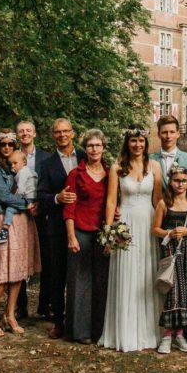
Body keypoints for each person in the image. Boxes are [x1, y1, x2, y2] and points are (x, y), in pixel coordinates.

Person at [101, 127, 164, 351]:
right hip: (125, 222)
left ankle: (149, 331)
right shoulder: (117, 167)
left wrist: (165, 227)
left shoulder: (154, 167)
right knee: (126, 272)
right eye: (133, 141)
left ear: (146, 143)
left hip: (148, 223)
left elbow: (158, 201)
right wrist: (109, 230)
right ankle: (124, 331)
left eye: (141, 141)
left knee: (147, 273)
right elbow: (111, 201)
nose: (137, 145)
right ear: (127, 143)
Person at [0, 130, 40, 336]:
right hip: (5, 220)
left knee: (18, 271)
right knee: (2, 270)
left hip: (23, 220)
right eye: (3, 144)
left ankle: (10, 314)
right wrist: (28, 203)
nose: (7, 147)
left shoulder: (17, 167)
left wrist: (33, 204)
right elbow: (4, 196)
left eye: (11, 144)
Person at [36, 118, 84, 339]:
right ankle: (58, 320)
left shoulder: (85, 156)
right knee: (58, 274)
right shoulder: (47, 163)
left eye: (66, 131)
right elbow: (41, 195)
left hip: (84, 224)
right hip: (57, 226)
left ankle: (80, 319)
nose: (62, 135)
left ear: (72, 133)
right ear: (53, 135)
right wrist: (57, 198)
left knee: (82, 274)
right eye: (58, 132)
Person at [152, 165, 187, 354]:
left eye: (184, 181)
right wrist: (170, 232)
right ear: (170, 181)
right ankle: (167, 336)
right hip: (171, 251)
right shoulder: (164, 203)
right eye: (176, 180)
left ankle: (180, 335)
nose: (180, 184)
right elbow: (155, 229)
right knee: (173, 291)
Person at [64, 129, 113, 344]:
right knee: (80, 281)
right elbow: (69, 208)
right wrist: (71, 236)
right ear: (85, 148)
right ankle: (79, 331)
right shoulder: (76, 174)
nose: (94, 149)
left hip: (102, 232)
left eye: (98, 145)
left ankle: (98, 331)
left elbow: (113, 201)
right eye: (90, 145)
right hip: (81, 231)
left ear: (103, 148)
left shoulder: (110, 173)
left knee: (101, 281)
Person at [17, 119, 51, 319]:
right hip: (19, 214)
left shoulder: (46, 158)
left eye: (28, 130)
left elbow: (49, 186)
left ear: (35, 134)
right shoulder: (12, 157)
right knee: (20, 258)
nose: (25, 134)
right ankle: (20, 305)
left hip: (42, 214)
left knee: (46, 258)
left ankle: (44, 304)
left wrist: (40, 205)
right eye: (21, 131)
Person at [149, 115, 187, 205]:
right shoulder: (150, 159)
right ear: (158, 134)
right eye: (164, 132)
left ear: (178, 134)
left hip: (182, 211)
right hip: (155, 210)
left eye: (172, 132)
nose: (168, 136)